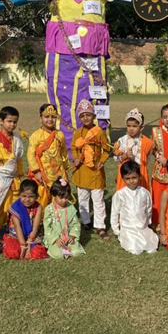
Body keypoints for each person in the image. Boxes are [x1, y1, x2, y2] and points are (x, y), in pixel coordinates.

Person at [71, 99, 110, 241]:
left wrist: (102, 161)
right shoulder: (78, 133)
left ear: (94, 116)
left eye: (88, 115)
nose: (85, 118)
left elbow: (106, 150)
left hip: (95, 171)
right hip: (82, 171)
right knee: (82, 198)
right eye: (82, 115)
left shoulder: (99, 132)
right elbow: (74, 148)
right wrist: (76, 158)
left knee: (98, 200)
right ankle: (86, 222)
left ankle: (100, 226)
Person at [0, 106, 25, 232]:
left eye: (15, 122)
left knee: (13, 202)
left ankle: (12, 226)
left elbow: (18, 158)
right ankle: (0, 226)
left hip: (13, 178)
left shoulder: (17, 138)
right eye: (9, 121)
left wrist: (19, 172)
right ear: (1, 121)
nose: (12, 125)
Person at [110, 161, 159, 255]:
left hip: (143, 227)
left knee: (151, 248)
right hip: (128, 229)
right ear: (123, 178)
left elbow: (148, 210)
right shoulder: (120, 194)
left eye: (134, 177)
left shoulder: (145, 192)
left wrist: (148, 223)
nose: (131, 181)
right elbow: (114, 213)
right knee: (135, 250)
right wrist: (116, 230)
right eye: (127, 178)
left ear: (139, 176)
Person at [27, 104, 70, 208]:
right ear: (40, 118)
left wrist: (65, 167)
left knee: (59, 200)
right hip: (43, 175)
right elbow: (31, 155)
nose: (50, 119)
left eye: (53, 117)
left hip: (59, 173)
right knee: (42, 201)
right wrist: (36, 171)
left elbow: (64, 152)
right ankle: (41, 217)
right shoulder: (36, 136)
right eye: (46, 116)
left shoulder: (59, 135)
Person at [3, 179, 48, 260]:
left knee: (38, 253)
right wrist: (23, 245)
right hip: (17, 235)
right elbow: (17, 227)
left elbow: (35, 227)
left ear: (36, 196)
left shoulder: (38, 207)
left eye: (31, 196)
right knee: (13, 252)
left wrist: (30, 241)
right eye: (24, 196)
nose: (27, 199)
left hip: (31, 235)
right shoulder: (16, 207)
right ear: (20, 195)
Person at [43, 178, 85, 259]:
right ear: (54, 195)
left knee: (76, 252)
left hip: (68, 238)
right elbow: (47, 228)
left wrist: (72, 236)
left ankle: (68, 249)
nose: (64, 200)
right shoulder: (49, 209)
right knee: (59, 254)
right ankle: (53, 249)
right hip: (55, 239)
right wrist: (56, 239)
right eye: (61, 198)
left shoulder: (70, 208)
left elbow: (76, 224)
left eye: (66, 197)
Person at [113, 108, 154, 192]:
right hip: (126, 174)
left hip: (140, 174)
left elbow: (147, 159)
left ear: (141, 127)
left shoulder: (147, 142)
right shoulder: (122, 141)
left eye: (134, 126)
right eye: (129, 126)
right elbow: (116, 158)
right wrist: (125, 156)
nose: (131, 129)